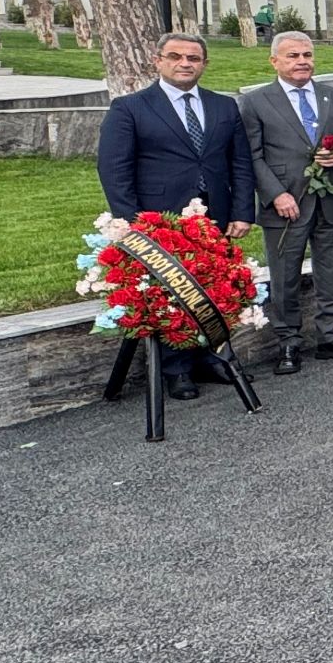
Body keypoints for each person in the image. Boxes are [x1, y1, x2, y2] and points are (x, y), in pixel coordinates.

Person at [95, 32, 256, 402]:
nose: (185, 63)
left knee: (213, 286)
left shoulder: (223, 106)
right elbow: (114, 169)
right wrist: (133, 224)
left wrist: (242, 211)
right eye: (175, 56)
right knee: (168, 292)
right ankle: (176, 369)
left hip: (215, 215)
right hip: (158, 221)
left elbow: (240, 163)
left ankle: (211, 359)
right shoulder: (130, 108)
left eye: (193, 58)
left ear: (204, 64)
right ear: (158, 61)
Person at [238, 30, 333, 375]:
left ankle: (331, 336)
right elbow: (251, 155)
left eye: (307, 55)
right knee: (284, 276)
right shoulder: (255, 101)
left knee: (332, 271)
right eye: (293, 56)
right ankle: (288, 341)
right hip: (285, 203)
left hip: (330, 199)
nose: (302, 62)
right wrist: (275, 194)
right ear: (274, 61)